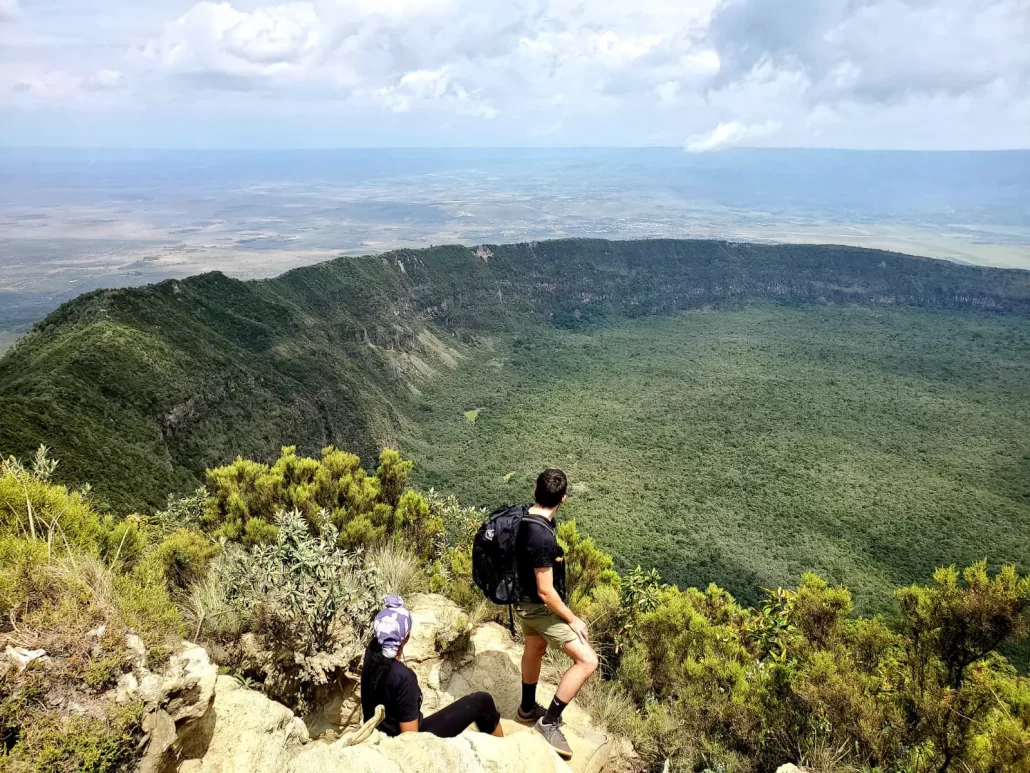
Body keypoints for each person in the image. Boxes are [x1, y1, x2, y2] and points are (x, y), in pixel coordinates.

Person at [515, 468, 599, 760]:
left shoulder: (525, 516)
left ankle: (527, 708)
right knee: (588, 661)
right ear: (563, 499)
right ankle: (548, 722)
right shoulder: (542, 538)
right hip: (537, 607)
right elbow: (546, 591)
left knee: (535, 646)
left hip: (522, 602)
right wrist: (573, 619)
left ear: (535, 493)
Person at [360, 595, 504, 739]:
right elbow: (410, 739)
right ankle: (504, 749)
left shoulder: (371, 651)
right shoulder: (404, 678)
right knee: (482, 701)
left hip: (376, 733)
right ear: (407, 637)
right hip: (400, 742)